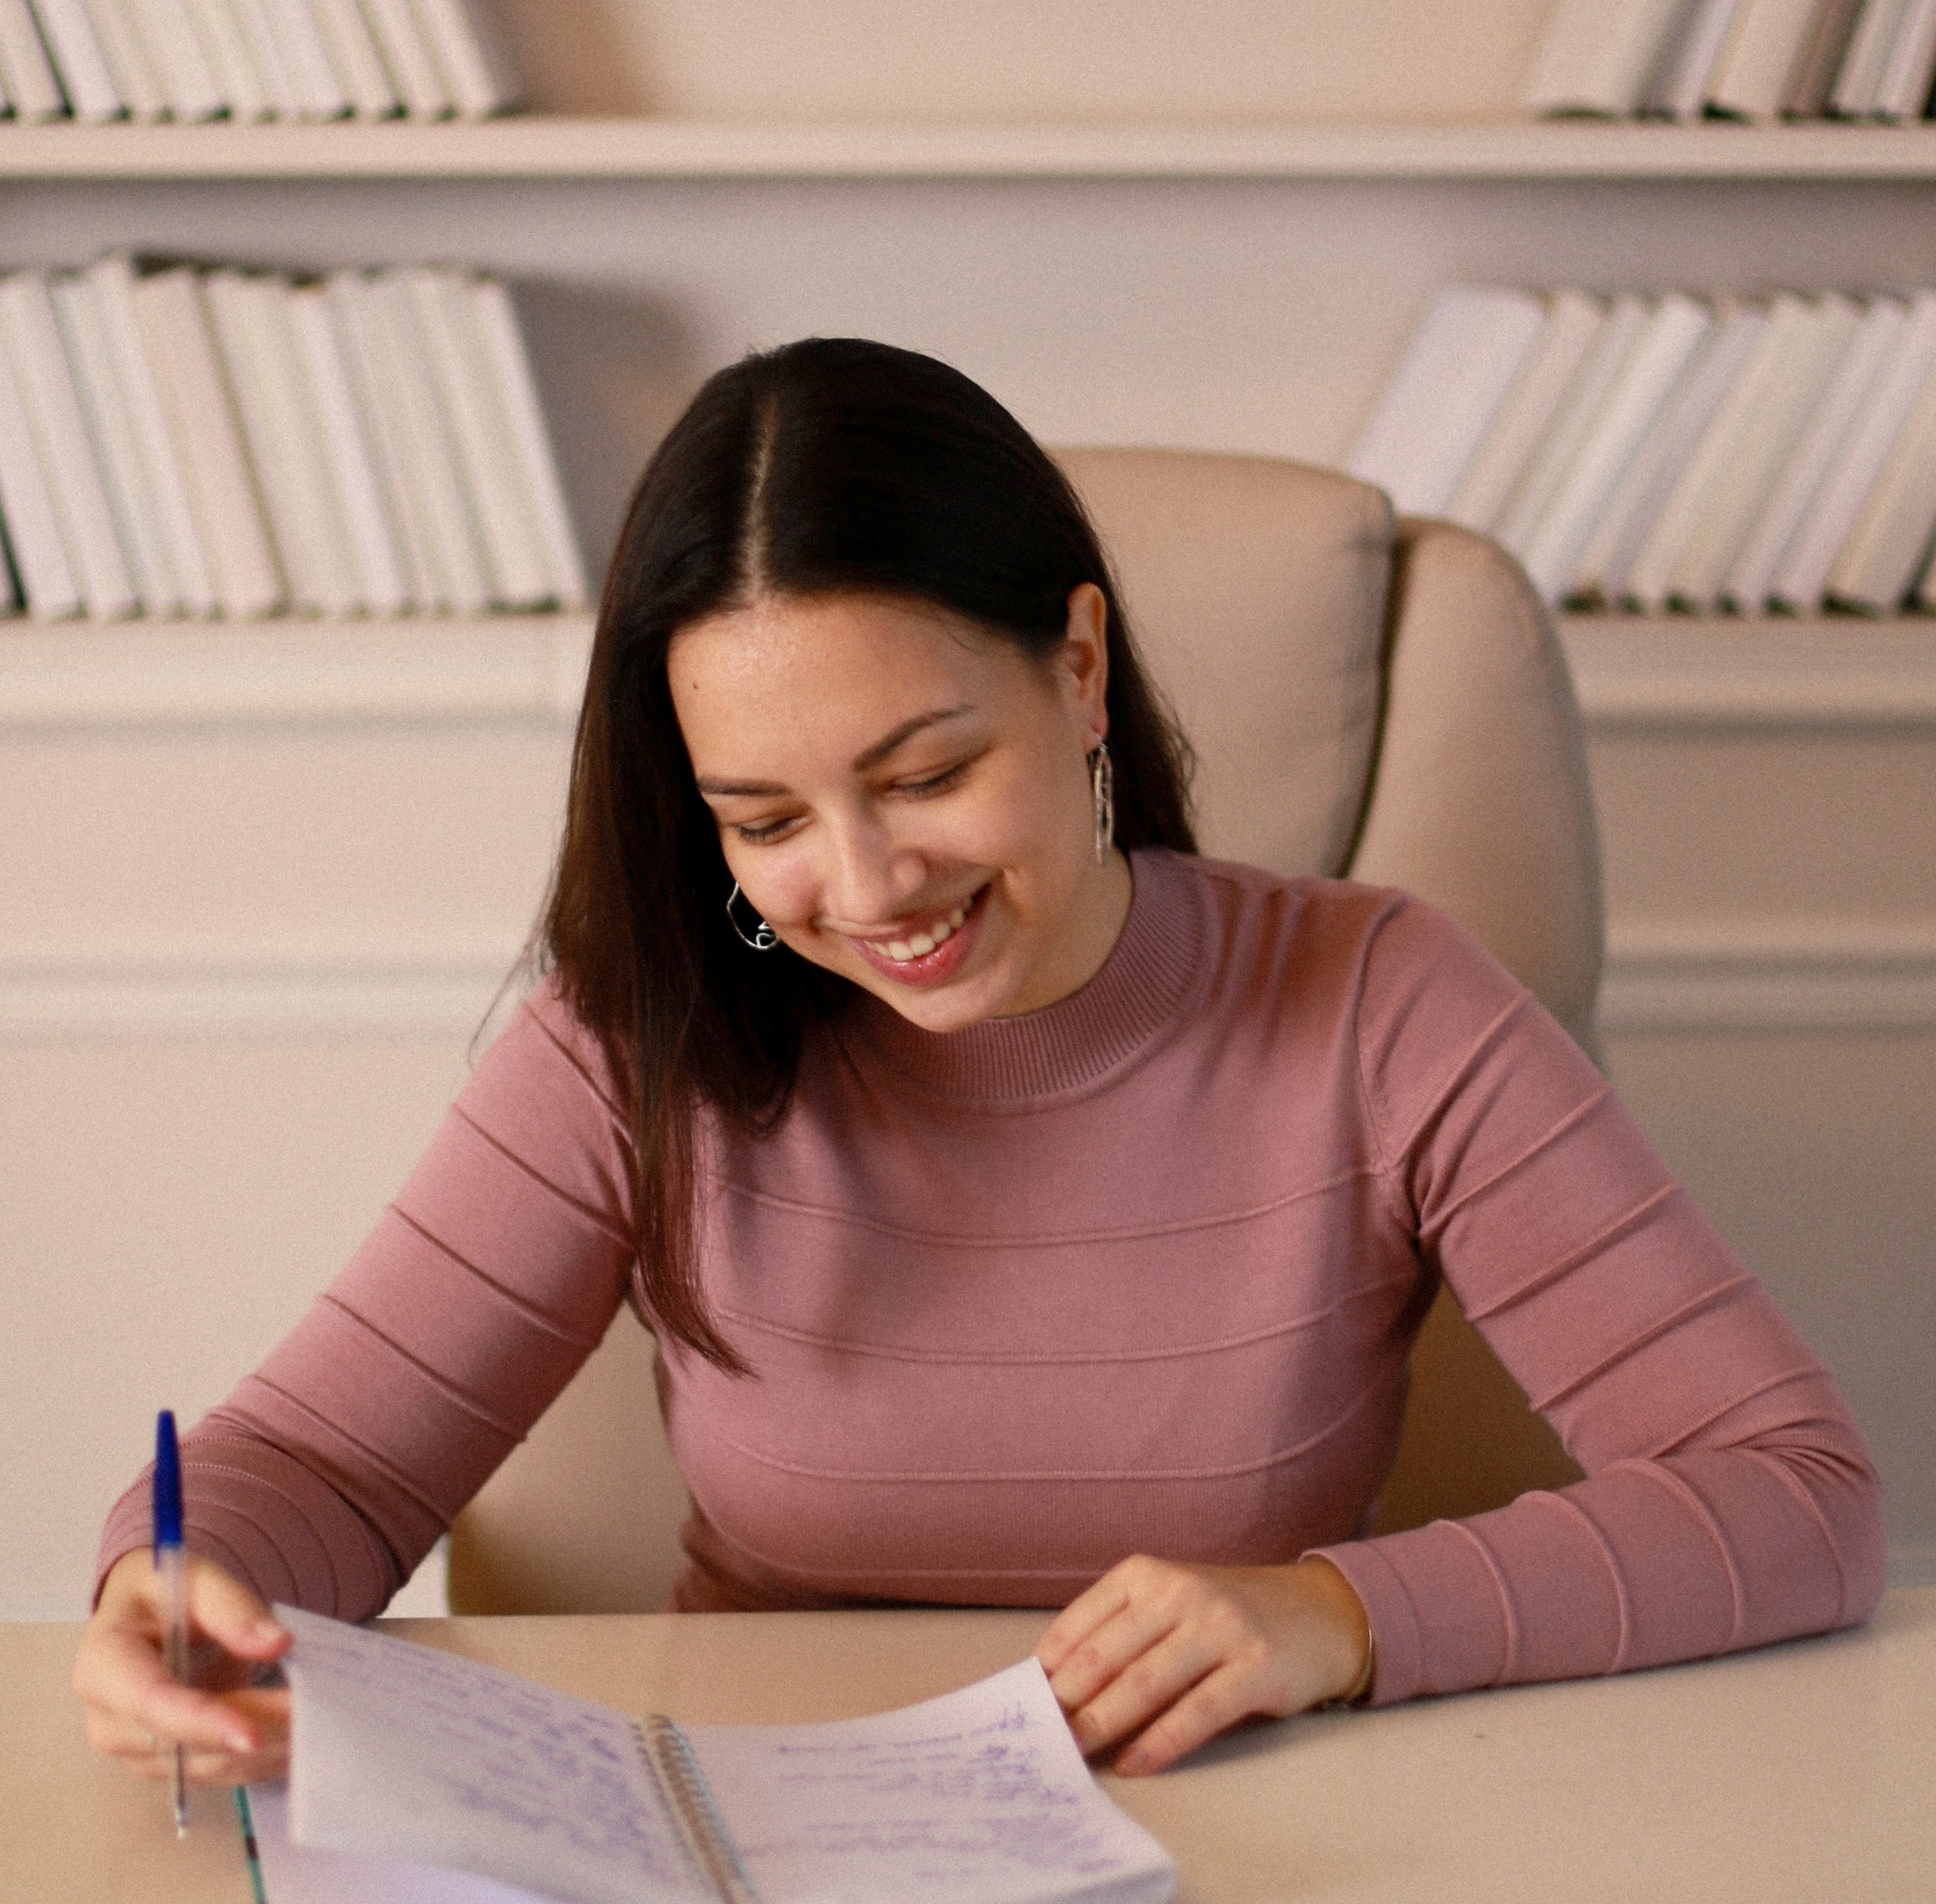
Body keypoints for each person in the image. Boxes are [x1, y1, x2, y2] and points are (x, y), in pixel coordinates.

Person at [76, 338, 1885, 1791]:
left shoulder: (1377, 1002)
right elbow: (318, 1460)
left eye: (927, 775)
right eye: (762, 816)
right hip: (756, 1837)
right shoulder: (645, 1036)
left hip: (1269, 1852)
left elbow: (1790, 1493)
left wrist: (1331, 1616)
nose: (864, 890)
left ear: (1078, 668)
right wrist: (173, 1582)